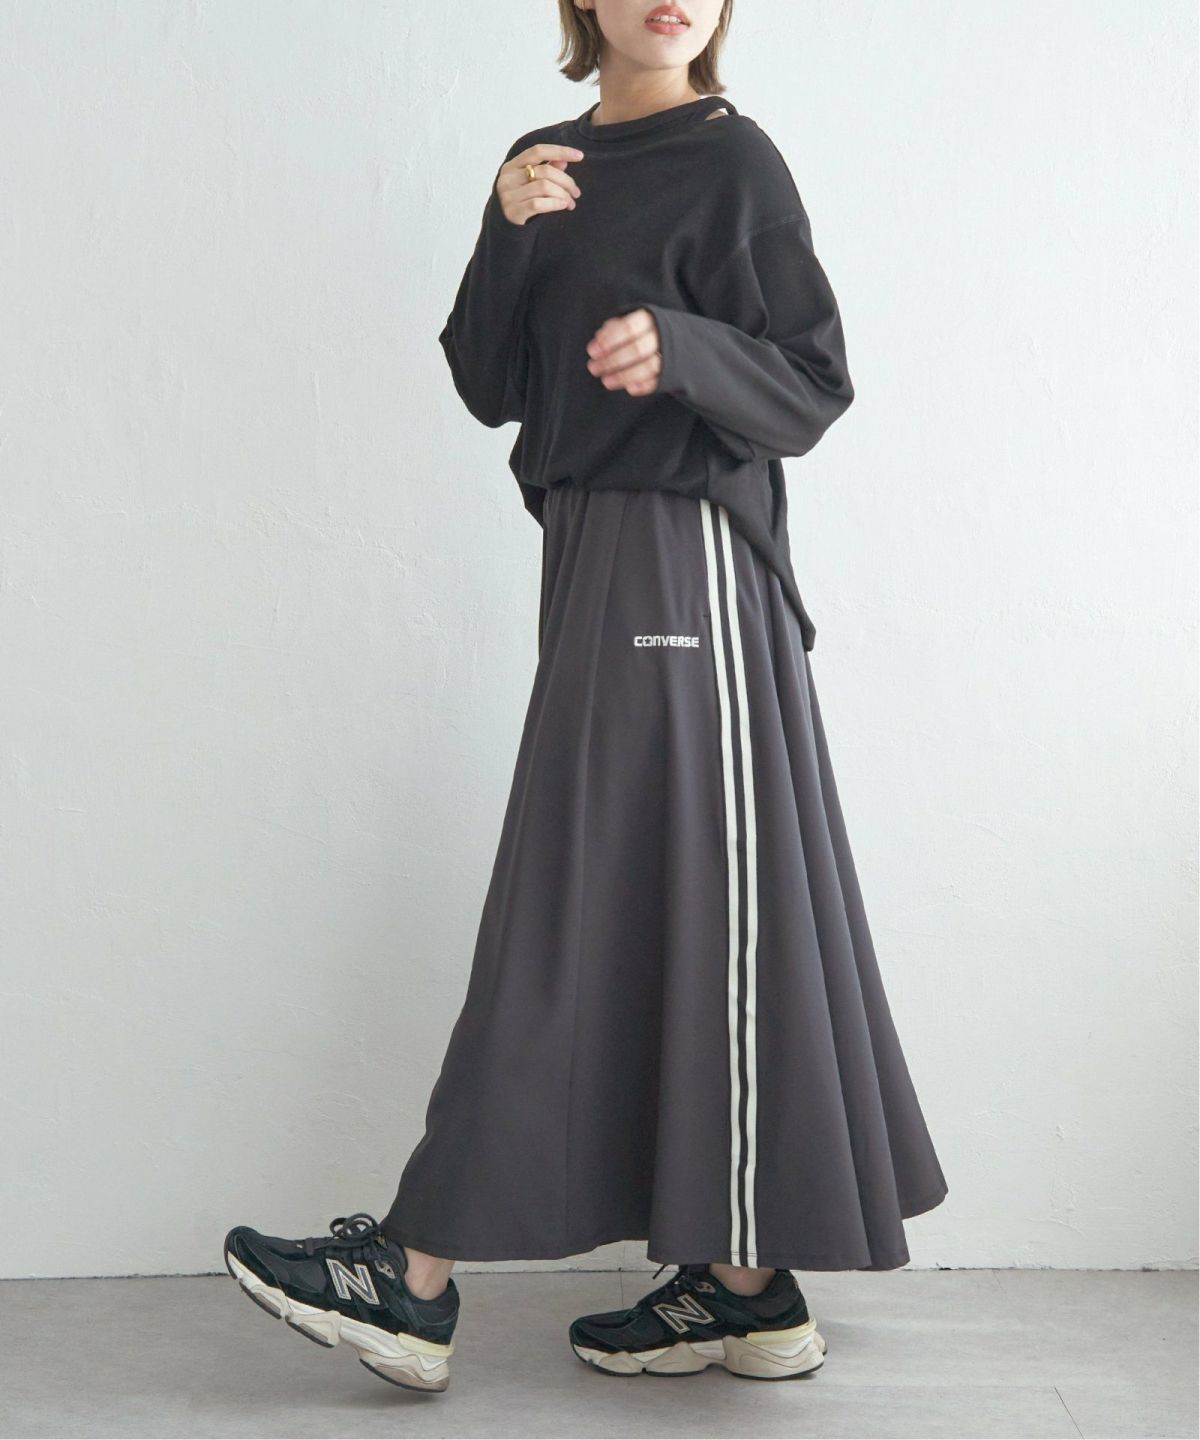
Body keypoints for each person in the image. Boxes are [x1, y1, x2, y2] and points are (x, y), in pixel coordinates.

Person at [223, 0, 949, 1394]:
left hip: (688, 556)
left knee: (570, 890)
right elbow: (490, 382)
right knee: (648, 889)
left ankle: (413, 1276)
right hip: (589, 552)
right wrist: (506, 231)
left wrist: (684, 351)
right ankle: (745, 1287)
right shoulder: (545, 163)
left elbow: (814, 381)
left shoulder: (735, 163)